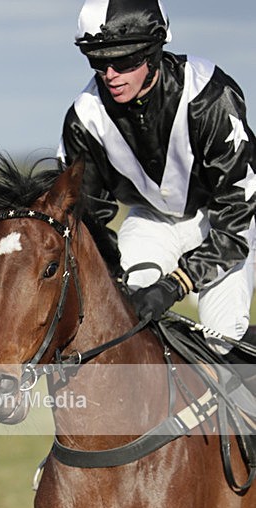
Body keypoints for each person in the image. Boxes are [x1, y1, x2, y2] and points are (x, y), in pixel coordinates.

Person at [57, 0, 256, 357]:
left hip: (224, 221)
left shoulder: (209, 96)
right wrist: (114, 275)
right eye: (98, 62)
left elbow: (238, 213)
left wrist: (176, 284)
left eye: (124, 60)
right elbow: (87, 220)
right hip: (152, 220)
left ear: (154, 52)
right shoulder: (84, 119)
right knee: (123, 321)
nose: (110, 74)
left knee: (220, 337)